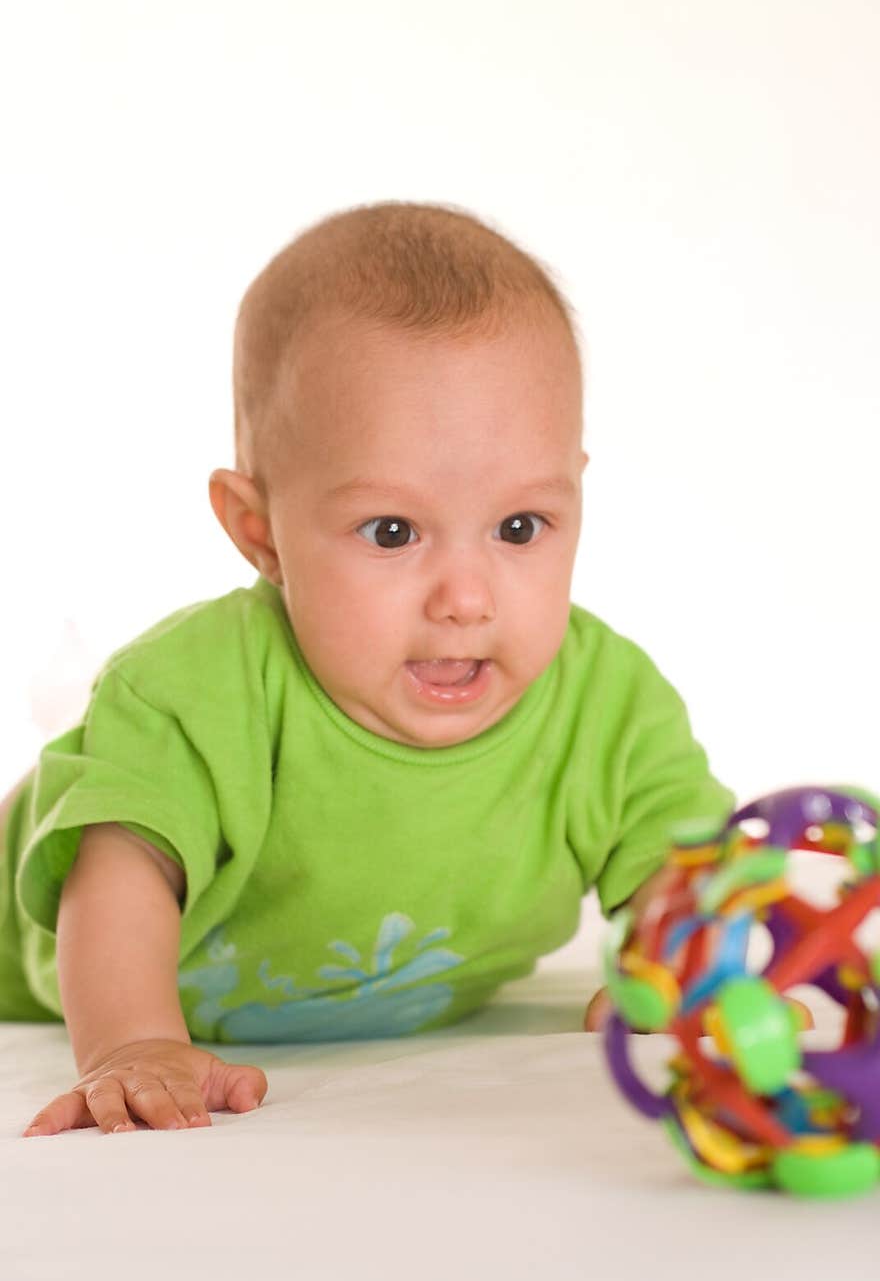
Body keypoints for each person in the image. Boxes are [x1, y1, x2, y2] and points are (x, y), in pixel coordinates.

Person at [0, 201, 735, 1136]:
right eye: (392, 532)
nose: (466, 597)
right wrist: (134, 1044)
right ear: (259, 532)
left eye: (520, 527)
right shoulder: (191, 691)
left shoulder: (609, 706)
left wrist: (681, 986)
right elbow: (120, 869)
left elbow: (689, 871)